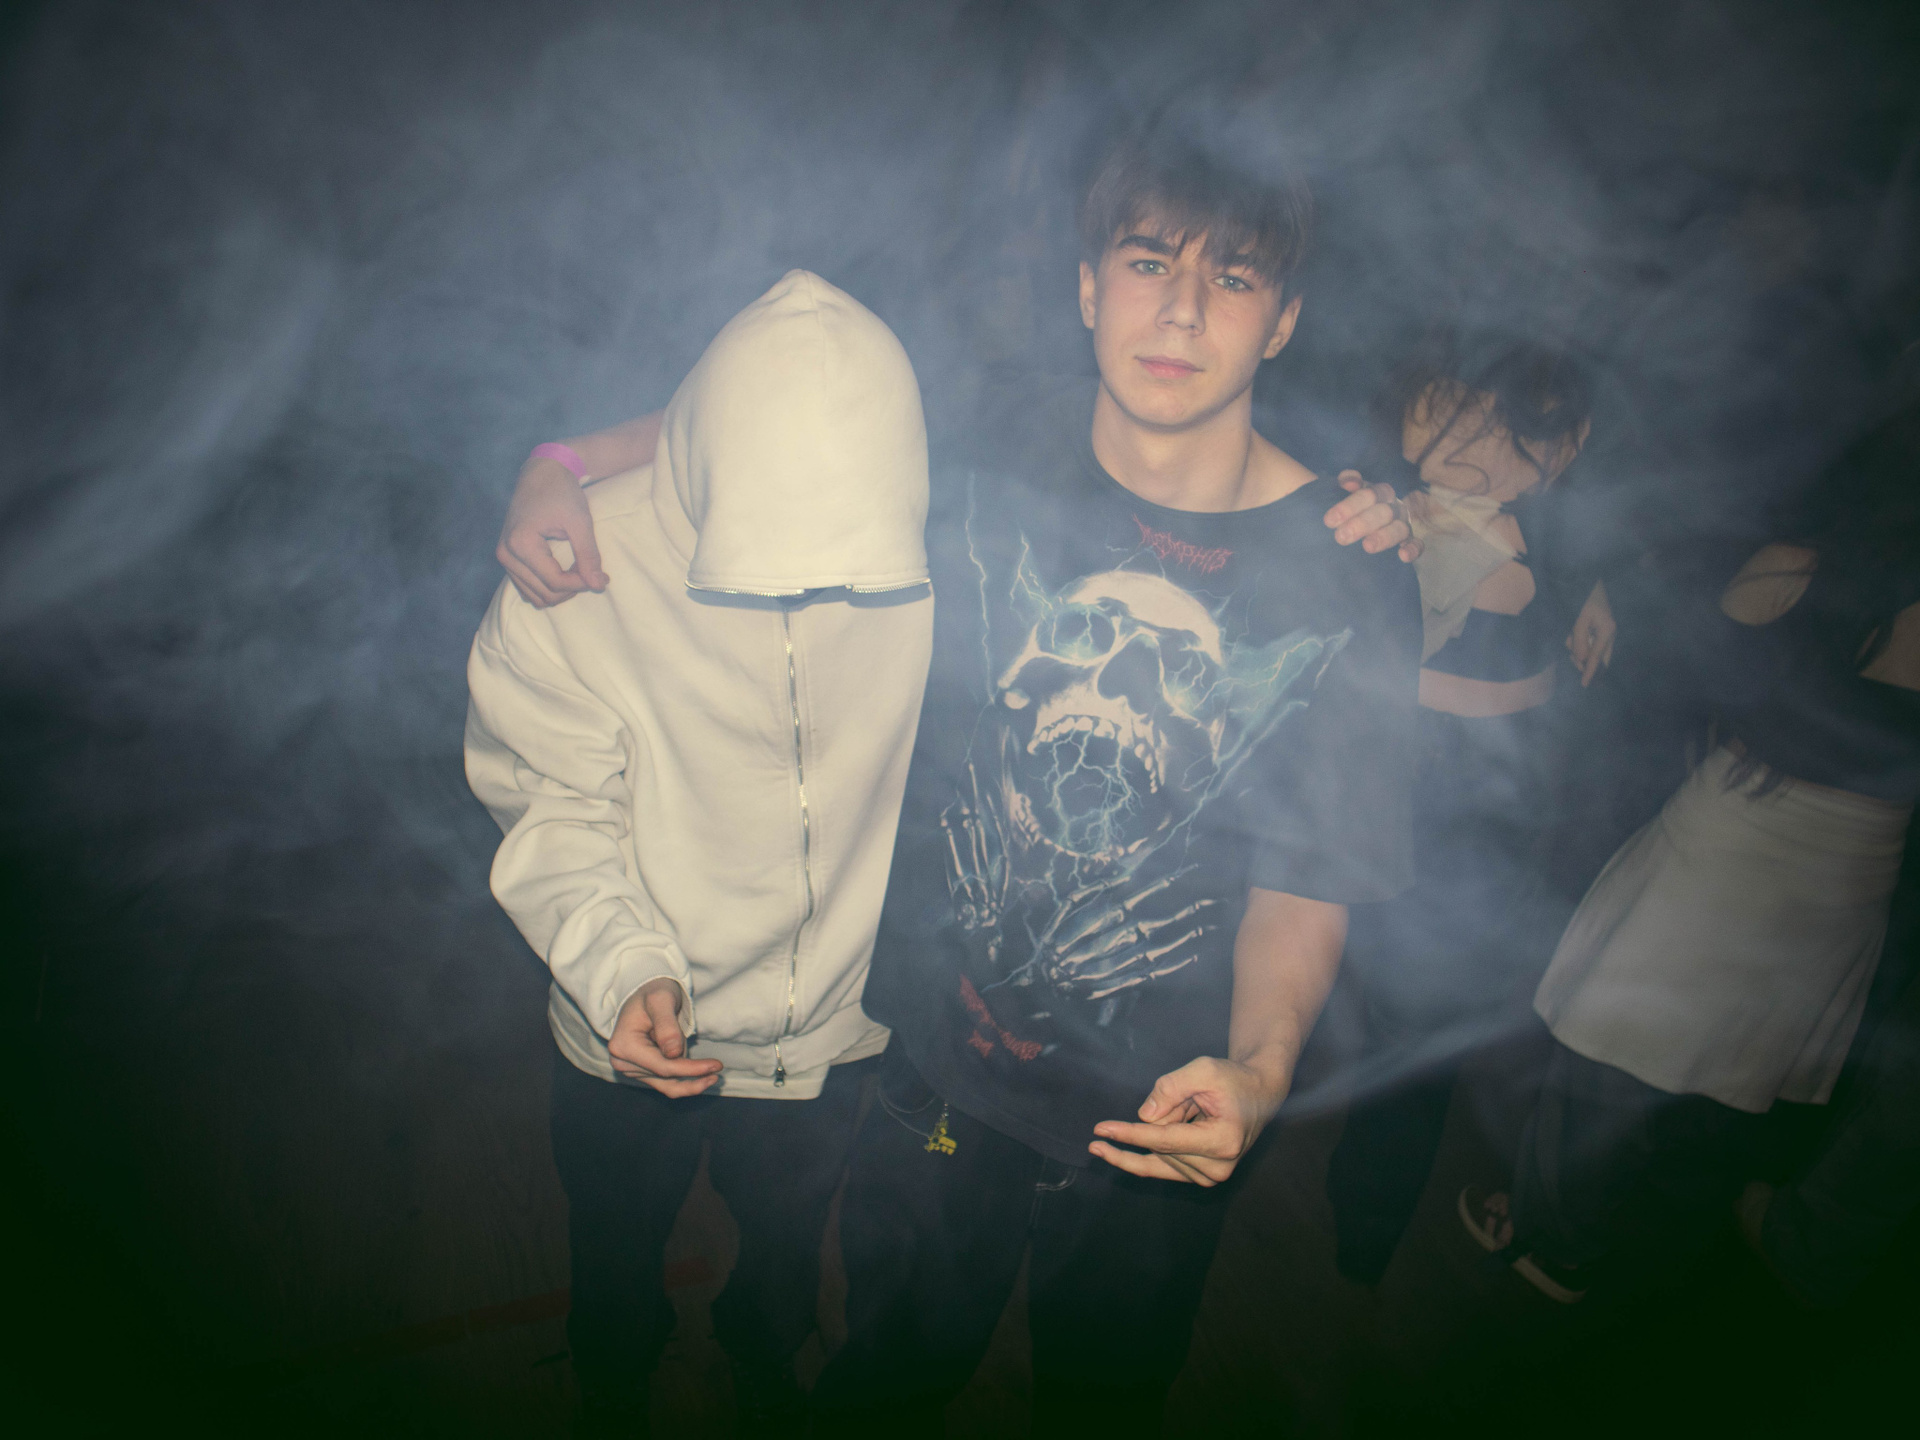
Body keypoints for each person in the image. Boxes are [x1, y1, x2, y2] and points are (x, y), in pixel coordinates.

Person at [789, 129, 1419, 1434]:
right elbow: (751, 415)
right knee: (885, 1376)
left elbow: (1308, 882)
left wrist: (1258, 1071)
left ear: (1283, 322)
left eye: (1232, 279)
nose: (1182, 310)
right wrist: (562, 468)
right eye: (1148, 262)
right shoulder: (977, 442)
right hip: (940, 1061)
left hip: (1160, 1111)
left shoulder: (1346, 574)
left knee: (1104, 1401)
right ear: (1087, 287)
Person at [464, 270, 934, 1435]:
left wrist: (1361, 509)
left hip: (831, 1022)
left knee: (787, 1239)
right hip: (621, 1016)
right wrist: (624, 969)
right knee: (615, 1235)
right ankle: (612, 1373)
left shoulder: (956, 552)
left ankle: (761, 1361)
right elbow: (553, 808)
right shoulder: (575, 573)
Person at [1460, 398, 1920, 1304]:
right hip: (1850, 885)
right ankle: (1643, 1257)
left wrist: (1614, 591)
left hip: (1724, 854)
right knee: (1724, 1088)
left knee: (1600, 1061)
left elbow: (1668, 659)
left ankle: (1551, 1242)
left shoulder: (1795, 570)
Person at [1324, 333, 1617, 1284]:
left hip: (1465, 824)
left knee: (1412, 1042)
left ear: (1565, 448)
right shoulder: (1394, 506)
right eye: (1453, 408)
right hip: (1376, 785)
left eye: (1508, 430)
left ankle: (1362, 1239)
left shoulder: (1514, 545)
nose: (1469, 443)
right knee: (1323, 985)